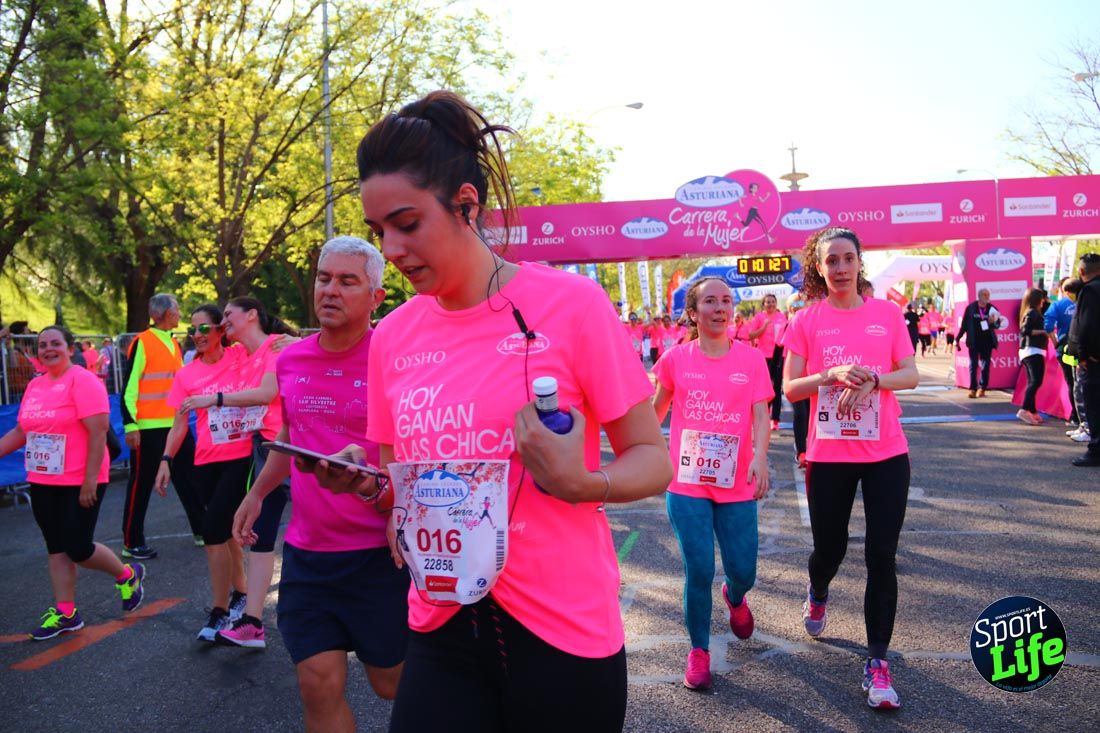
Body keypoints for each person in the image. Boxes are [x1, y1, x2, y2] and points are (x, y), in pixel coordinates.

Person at [315, 90, 672, 732]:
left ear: (466, 204)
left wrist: (585, 484)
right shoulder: (392, 336)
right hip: (440, 622)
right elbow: (402, 492)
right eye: (379, 232)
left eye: (406, 222)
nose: (391, 249)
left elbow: (653, 459)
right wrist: (366, 480)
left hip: (561, 629)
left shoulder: (571, 305)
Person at [232, 237, 409, 729]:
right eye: (324, 278)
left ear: (376, 296)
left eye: (347, 281)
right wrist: (258, 493)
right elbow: (293, 435)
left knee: (391, 683)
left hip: (379, 554)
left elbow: (414, 448)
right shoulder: (291, 360)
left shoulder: (396, 358)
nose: (330, 290)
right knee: (316, 681)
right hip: (310, 556)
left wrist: (394, 505)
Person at [782, 227, 918, 710]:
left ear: (860, 263)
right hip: (830, 454)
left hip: (886, 452)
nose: (840, 268)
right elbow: (791, 388)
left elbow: (911, 374)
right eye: (830, 261)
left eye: (847, 259)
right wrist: (830, 375)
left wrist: (877, 379)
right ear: (818, 268)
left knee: (882, 555)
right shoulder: (806, 319)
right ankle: (818, 588)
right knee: (830, 548)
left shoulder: (887, 314)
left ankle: (877, 663)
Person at [652, 277, 771, 690]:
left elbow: (759, 414)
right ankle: (699, 651)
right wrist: (641, 454)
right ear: (694, 311)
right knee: (698, 568)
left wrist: (759, 456)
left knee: (744, 570)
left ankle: (735, 597)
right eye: (710, 301)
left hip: (736, 481)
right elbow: (657, 411)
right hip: (686, 484)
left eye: (726, 300)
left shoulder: (752, 360)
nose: (720, 308)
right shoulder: (674, 359)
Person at [0, 325, 145, 640]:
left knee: (78, 547)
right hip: (42, 478)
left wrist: (90, 480)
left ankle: (127, 574)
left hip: (81, 477)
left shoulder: (83, 380)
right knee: (56, 546)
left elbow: (97, 431)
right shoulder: (36, 386)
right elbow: (22, 431)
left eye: (55, 343)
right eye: (42, 345)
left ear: (69, 348)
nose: (48, 349)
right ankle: (66, 613)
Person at [180, 296, 298, 646]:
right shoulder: (244, 355)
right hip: (264, 449)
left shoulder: (275, 347)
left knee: (308, 529)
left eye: (228, 315)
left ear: (251, 314)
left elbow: (267, 393)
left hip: (290, 448)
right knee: (258, 534)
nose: (224, 321)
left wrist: (213, 399)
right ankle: (252, 621)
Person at [155, 304, 251, 640]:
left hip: (241, 456)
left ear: (221, 330)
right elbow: (179, 425)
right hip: (205, 460)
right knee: (225, 532)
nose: (197, 335)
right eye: (192, 330)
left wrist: (285, 339)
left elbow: (269, 344)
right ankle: (242, 591)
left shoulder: (240, 357)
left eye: (204, 329)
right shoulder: (186, 375)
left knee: (212, 531)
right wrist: (166, 460)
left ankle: (219, 610)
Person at [120, 293, 204, 557]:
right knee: (141, 484)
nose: (180, 313)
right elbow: (129, 387)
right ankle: (131, 542)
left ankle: (202, 529)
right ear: (167, 314)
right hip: (148, 427)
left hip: (176, 424)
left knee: (189, 477)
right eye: (177, 309)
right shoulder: (142, 342)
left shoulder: (173, 343)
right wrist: (130, 425)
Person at [1065, 253, 1100, 467]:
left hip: (1093, 362)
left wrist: (1084, 354)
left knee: (1094, 405)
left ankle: (1095, 450)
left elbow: (1087, 325)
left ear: (1081, 272)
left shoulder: (1089, 291)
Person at [1046, 278, 1083, 432]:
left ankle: (1076, 417)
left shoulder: (1057, 305)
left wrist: (1055, 343)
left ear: (1063, 289)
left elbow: (1047, 326)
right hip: (1085, 347)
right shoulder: (1085, 301)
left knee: (1072, 383)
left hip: (1066, 348)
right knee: (1083, 383)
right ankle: (1084, 419)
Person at [747, 293, 787, 431]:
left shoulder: (782, 317)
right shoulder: (759, 317)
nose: (770, 304)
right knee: (763, 387)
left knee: (776, 388)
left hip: (778, 356)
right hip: (763, 356)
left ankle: (775, 419)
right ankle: (763, 413)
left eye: (772, 301)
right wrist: (763, 327)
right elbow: (750, 335)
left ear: (776, 303)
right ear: (763, 304)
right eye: (767, 302)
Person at [957, 288, 1000, 398]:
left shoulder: (992, 308)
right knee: (973, 365)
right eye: (984, 294)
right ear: (979, 296)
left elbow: (998, 324)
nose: (986, 296)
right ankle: (972, 389)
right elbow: (964, 325)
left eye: (988, 295)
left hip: (987, 342)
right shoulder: (971, 308)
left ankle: (983, 387)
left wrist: (992, 323)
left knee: (985, 366)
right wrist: (957, 339)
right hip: (974, 341)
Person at [1016, 288, 1048, 425]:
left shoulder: (1030, 312)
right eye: (1041, 298)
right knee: (1036, 381)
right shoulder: (1032, 312)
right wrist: (1043, 331)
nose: (1043, 301)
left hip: (1032, 350)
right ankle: (1024, 409)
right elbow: (1025, 330)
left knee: (1033, 382)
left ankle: (1032, 410)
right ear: (1037, 299)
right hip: (1032, 350)